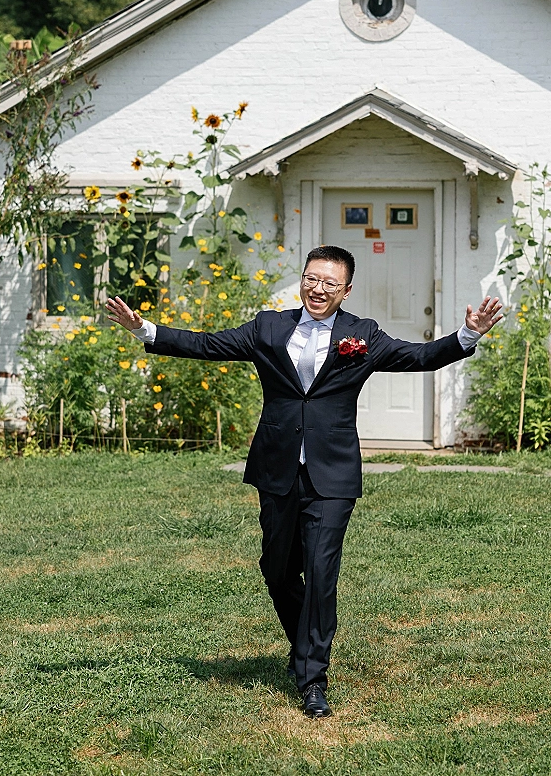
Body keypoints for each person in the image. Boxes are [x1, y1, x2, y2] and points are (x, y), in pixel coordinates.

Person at [106, 245, 502, 719]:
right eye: (311, 279)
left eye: (329, 284)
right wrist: (143, 329)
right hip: (277, 467)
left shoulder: (363, 335)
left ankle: (313, 678)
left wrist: (467, 335)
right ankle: (305, 646)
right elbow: (206, 344)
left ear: (346, 290)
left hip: (332, 472)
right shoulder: (267, 327)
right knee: (277, 571)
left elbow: (420, 356)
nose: (318, 289)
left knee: (320, 571)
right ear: (303, 280)